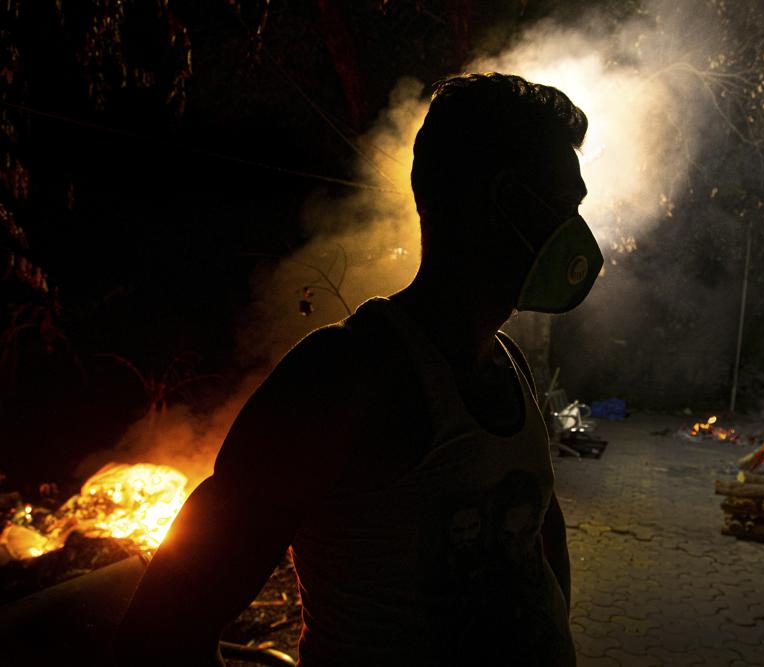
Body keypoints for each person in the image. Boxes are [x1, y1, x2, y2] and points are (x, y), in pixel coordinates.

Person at [115, 72, 603, 666]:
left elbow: (538, 534)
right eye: (565, 203)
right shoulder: (342, 380)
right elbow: (162, 627)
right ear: (503, 199)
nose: (578, 231)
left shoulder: (510, 367)